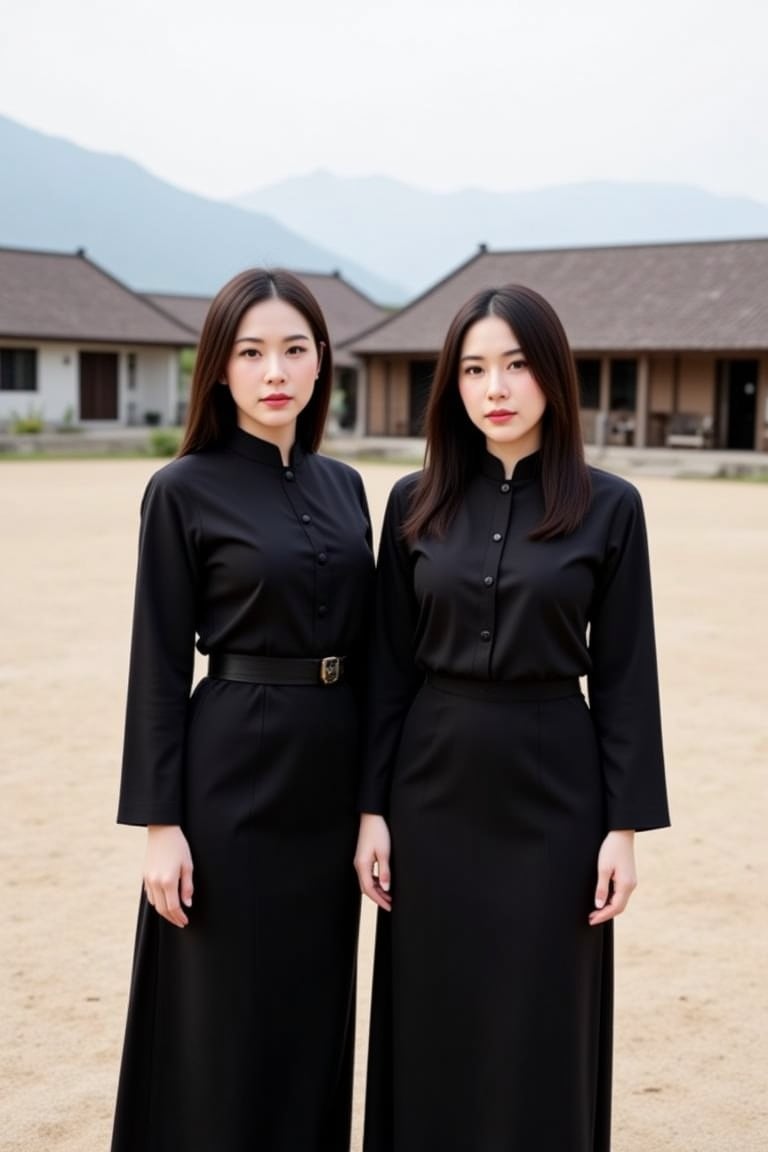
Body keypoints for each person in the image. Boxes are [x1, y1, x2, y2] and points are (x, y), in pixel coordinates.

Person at [354, 284, 670, 1151]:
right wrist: (372, 809)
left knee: (544, 1009)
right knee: (432, 1004)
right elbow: (386, 666)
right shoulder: (413, 501)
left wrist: (624, 828)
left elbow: (626, 673)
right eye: (475, 369)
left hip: (555, 794)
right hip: (431, 787)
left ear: (552, 375)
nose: (496, 387)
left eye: (517, 365)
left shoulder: (610, 507)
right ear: (452, 386)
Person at [111, 268, 374, 1152]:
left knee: (314, 1001)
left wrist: (376, 799)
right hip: (231, 774)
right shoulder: (182, 488)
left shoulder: (347, 488)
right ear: (219, 369)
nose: (275, 371)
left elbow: (379, 650)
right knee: (222, 1010)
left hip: (331, 775)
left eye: (294, 350)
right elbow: (156, 663)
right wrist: (159, 824)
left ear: (320, 362)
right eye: (251, 351)